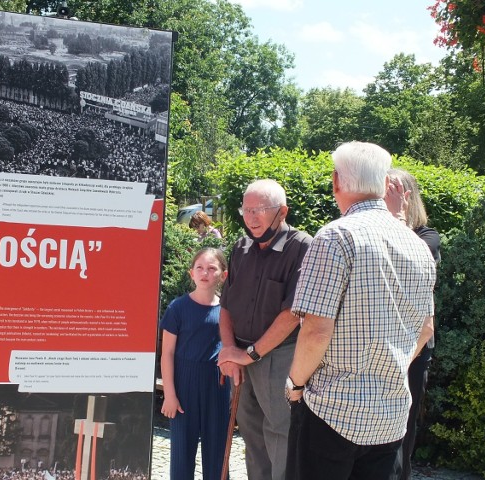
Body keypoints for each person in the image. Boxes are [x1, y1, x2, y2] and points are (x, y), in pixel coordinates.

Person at [284, 142, 436, 480]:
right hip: (391, 414)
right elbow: (426, 329)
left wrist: (295, 384)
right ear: (384, 185)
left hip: (332, 410)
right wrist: (392, 368)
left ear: (337, 181)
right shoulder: (418, 246)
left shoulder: (335, 236)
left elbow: (315, 330)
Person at [217, 179, 313, 480]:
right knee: (252, 435)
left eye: (259, 210)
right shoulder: (240, 247)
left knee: (279, 433)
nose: (251, 217)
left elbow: (293, 313)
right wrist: (232, 354)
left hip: (279, 357)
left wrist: (250, 354)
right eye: (246, 210)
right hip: (243, 358)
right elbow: (226, 306)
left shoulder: (302, 246)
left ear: (282, 212)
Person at [385, 169, 441, 480]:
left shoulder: (427, 237)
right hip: (382, 345)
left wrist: (397, 218)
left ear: (408, 198)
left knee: (402, 432)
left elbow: (408, 261)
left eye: (391, 192)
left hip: (414, 349)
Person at [159, 247, 230, 480]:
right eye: (199, 268)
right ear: (191, 273)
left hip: (217, 388)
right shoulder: (178, 308)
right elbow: (167, 353)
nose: (205, 273)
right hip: (184, 388)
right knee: (182, 455)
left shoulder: (227, 311)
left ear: (223, 274)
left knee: (218, 456)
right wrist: (170, 395)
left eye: (212, 268)